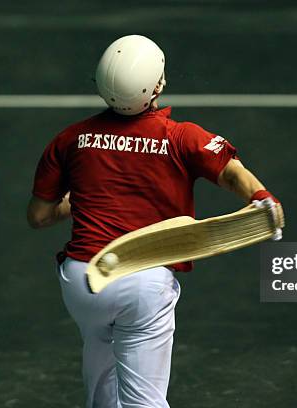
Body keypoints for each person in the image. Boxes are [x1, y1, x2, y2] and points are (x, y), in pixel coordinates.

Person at [26, 34, 281, 408]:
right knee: (145, 401)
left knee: (102, 378)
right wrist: (262, 198)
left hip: (82, 281)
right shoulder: (180, 137)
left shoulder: (70, 140)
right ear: (158, 84)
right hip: (143, 281)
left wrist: (77, 199)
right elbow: (230, 174)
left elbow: (39, 215)